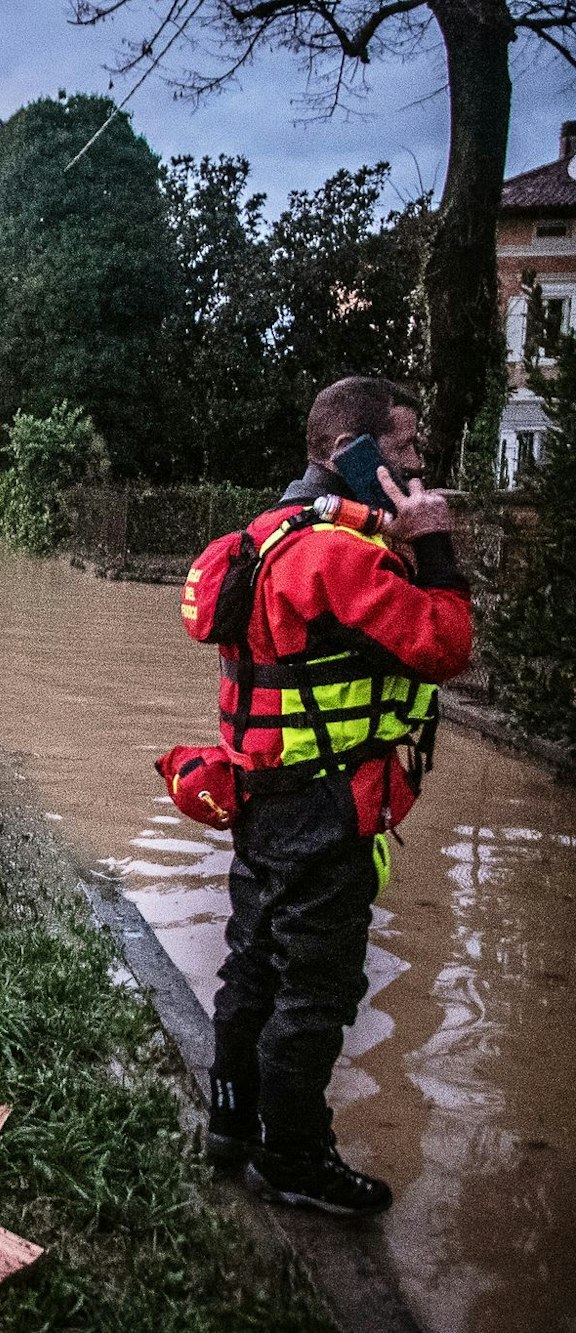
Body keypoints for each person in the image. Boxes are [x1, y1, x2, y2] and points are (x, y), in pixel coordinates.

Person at [200, 377, 472, 1216]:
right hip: (327, 807)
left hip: (260, 796)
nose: (420, 463)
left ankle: (231, 1126)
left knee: (251, 964)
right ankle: (295, 1158)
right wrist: (435, 547)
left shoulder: (259, 538)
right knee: (315, 991)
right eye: (405, 447)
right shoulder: (343, 554)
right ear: (349, 453)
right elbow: (446, 643)